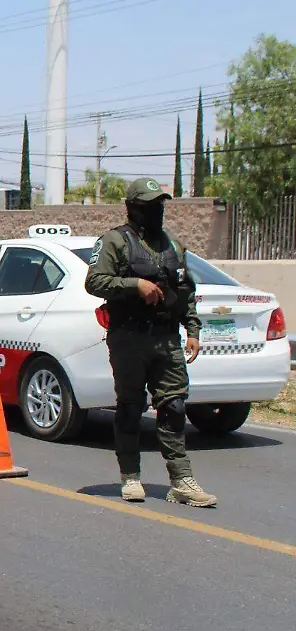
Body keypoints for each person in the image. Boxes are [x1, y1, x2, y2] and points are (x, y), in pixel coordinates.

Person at [84, 176, 216, 507]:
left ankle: (181, 481)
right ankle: (130, 476)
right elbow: (94, 281)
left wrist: (194, 330)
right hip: (128, 337)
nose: (157, 211)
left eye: (161, 205)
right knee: (130, 407)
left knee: (173, 406)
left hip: (166, 339)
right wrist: (134, 285)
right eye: (150, 205)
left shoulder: (173, 245)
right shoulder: (115, 241)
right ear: (133, 208)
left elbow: (186, 291)